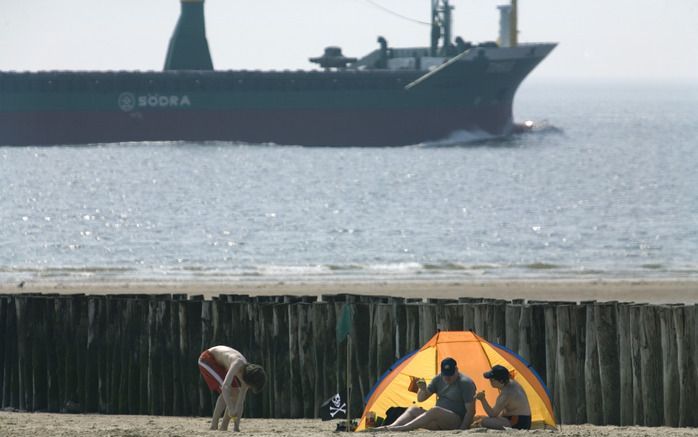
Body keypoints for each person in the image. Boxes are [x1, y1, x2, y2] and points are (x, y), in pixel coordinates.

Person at [378, 357, 476, 431]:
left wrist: (462, 429)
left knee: (435, 410)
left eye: (451, 374)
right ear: (442, 372)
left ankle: (404, 428)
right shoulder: (438, 379)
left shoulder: (466, 383)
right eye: (445, 375)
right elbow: (421, 399)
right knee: (413, 409)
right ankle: (390, 427)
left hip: (455, 421)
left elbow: (471, 411)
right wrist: (423, 389)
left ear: (457, 370)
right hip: (437, 421)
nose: (448, 378)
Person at [198, 345, 266, 431]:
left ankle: (224, 427)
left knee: (236, 393)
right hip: (207, 359)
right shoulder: (237, 363)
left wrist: (236, 426)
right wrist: (230, 408)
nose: (247, 387)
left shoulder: (246, 377)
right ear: (248, 378)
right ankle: (213, 425)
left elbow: (240, 402)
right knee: (229, 391)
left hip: (222, 364)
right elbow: (225, 387)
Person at [474, 364, 531, 430]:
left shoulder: (507, 393)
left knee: (484, 422)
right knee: (479, 418)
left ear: (501, 381)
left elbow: (492, 414)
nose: (490, 382)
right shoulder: (511, 383)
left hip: (518, 423)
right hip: (520, 418)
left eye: (492, 380)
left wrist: (482, 399)